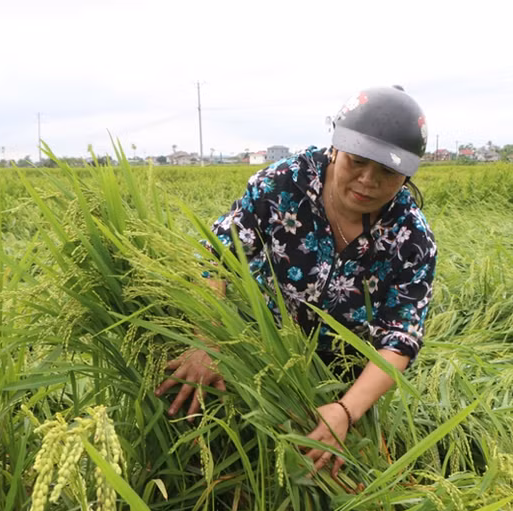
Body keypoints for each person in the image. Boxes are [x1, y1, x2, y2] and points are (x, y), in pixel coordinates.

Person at [155, 85, 437, 479]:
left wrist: (345, 410)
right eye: (357, 161)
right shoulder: (283, 184)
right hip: (259, 343)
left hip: (343, 374)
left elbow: (400, 338)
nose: (367, 181)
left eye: (387, 172)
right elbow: (217, 256)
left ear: (406, 175)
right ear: (336, 147)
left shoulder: (411, 238)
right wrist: (209, 339)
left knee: (326, 477)